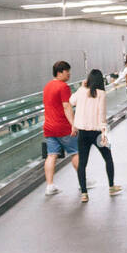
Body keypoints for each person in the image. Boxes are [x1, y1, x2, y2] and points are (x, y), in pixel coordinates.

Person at [71, 69, 122, 203]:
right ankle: (111, 187)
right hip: (97, 132)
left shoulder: (81, 91)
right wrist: (104, 134)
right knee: (108, 158)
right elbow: (102, 116)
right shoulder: (101, 94)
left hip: (83, 133)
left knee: (82, 163)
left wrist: (82, 87)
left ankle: (84, 193)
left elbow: (71, 101)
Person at [43, 60, 79, 197]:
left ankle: (50, 186)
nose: (69, 74)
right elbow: (67, 106)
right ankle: (83, 181)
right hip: (63, 127)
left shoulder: (47, 86)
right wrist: (73, 124)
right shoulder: (63, 86)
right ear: (60, 72)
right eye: (67, 71)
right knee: (75, 153)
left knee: (51, 155)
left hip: (49, 127)